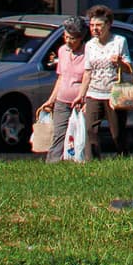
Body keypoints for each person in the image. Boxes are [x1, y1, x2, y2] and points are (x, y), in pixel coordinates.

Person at [82, 4, 133, 155]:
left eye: (98, 25)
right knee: (91, 130)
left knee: (117, 134)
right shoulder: (90, 45)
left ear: (109, 24)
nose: (94, 29)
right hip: (93, 93)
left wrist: (119, 62)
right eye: (91, 25)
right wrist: (81, 95)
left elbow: (129, 69)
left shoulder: (119, 41)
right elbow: (87, 72)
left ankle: (123, 157)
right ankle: (93, 162)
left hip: (113, 93)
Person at [37, 18, 89, 162]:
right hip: (62, 101)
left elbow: (88, 77)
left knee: (80, 136)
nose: (68, 41)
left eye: (72, 38)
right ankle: (52, 165)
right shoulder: (62, 51)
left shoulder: (88, 52)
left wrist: (83, 98)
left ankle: (81, 163)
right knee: (58, 135)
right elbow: (61, 78)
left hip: (80, 102)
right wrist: (50, 101)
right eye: (65, 37)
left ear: (81, 38)